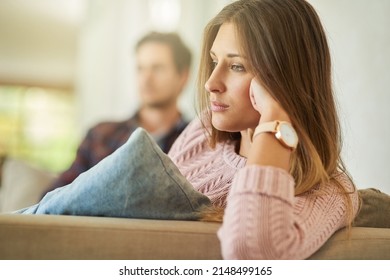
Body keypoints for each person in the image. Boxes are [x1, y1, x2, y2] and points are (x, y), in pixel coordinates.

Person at [24, 0, 359, 260]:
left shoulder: (329, 193)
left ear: (284, 79)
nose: (212, 83)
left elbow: (252, 254)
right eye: (215, 61)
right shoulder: (201, 135)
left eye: (237, 66)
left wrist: (274, 124)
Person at [44, 31, 192, 193]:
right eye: (140, 68)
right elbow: (55, 196)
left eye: (157, 68)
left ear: (183, 76)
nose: (146, 78)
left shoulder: (199, 141)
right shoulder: (100, 135)